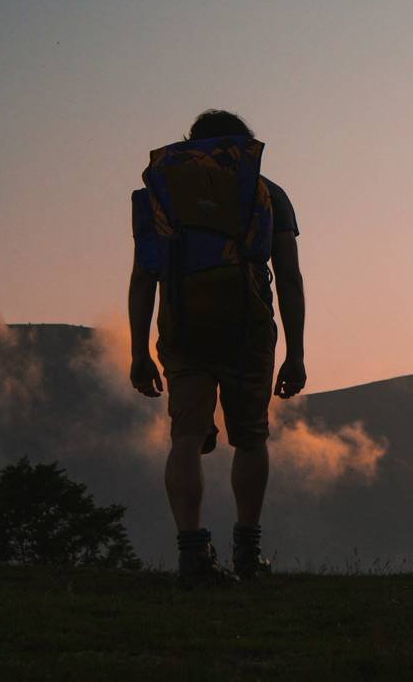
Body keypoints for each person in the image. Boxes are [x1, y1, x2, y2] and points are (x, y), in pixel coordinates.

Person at [127, 109, 306, 585]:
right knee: (250, 437)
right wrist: (296, 351)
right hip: (246, 326)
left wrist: (138, 350)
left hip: (182, 324)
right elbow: (288, 277)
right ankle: (247, 554)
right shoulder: (266, 193)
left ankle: (192, 555)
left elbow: (145, 275)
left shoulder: (164, 194)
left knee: (185, 438)